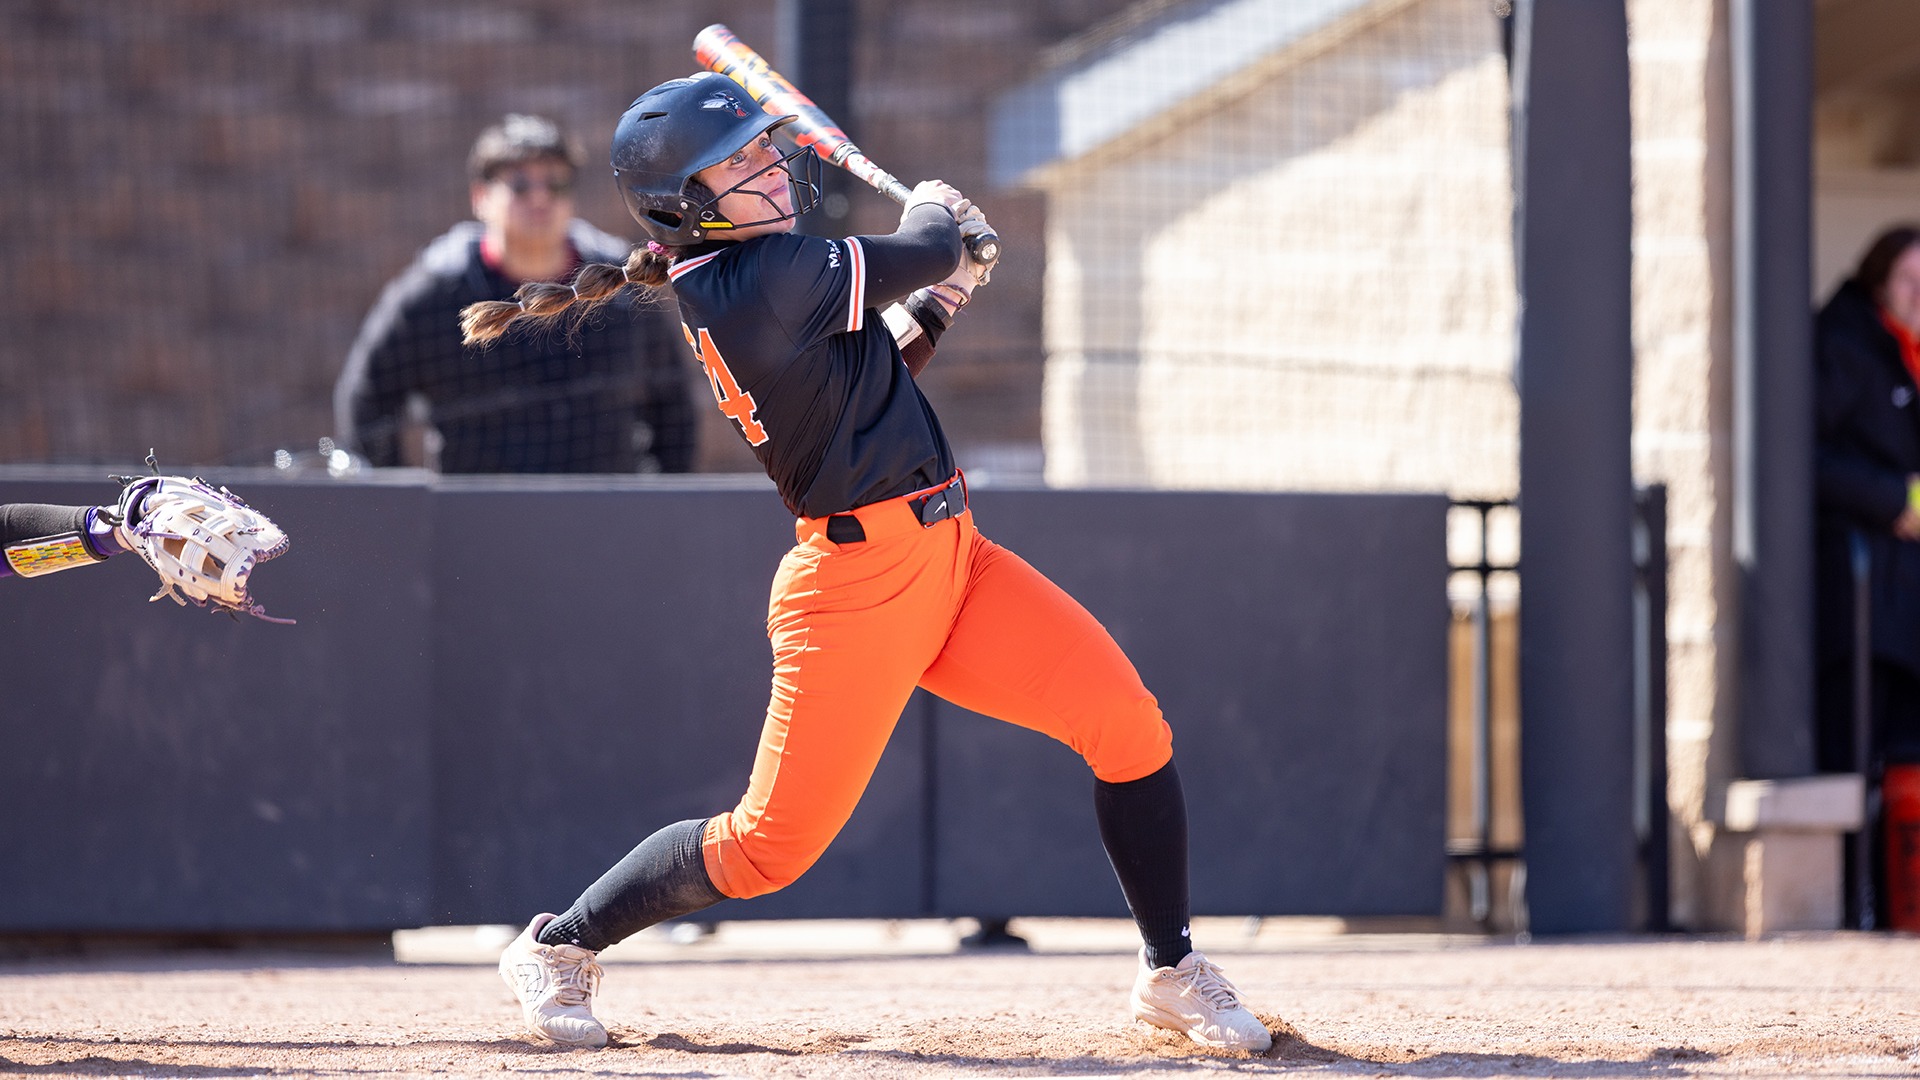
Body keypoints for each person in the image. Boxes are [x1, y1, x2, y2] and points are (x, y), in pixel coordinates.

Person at [464, 73, 1273, 1055]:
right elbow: (922, 243)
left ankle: (1171, 972)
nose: (772, 166)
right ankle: (559, 945)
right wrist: (936, 216)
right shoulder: (761, 276)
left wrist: (944, 295)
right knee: (765, 848)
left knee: (1128, 727)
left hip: (955, 557)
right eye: (739, 161)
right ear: (684, 204)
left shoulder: (756, 274)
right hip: (856, 590)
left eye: (765, 148)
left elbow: (872, 379)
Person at [335, 114, 695, 474]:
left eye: (555, 184)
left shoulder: (619, 286)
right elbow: (366, 398)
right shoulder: (435, 293)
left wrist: (655, 498)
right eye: (520, 185)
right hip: (477, 506)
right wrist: (403, 498)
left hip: (603, 503)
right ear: (480, 197)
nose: (540, 197)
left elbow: (673, 403)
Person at [1813, 224, 1920, 924]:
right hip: (1861, 605)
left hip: (1907, 603)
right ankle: (1856, 907)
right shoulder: (1845, 346)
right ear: (1880, 279)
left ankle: (1898, 906)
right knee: (1856, 754)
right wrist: (1893, 500)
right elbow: (1807, 456)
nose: (1919, 296)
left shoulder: (1908, 353)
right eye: (1910, 280)